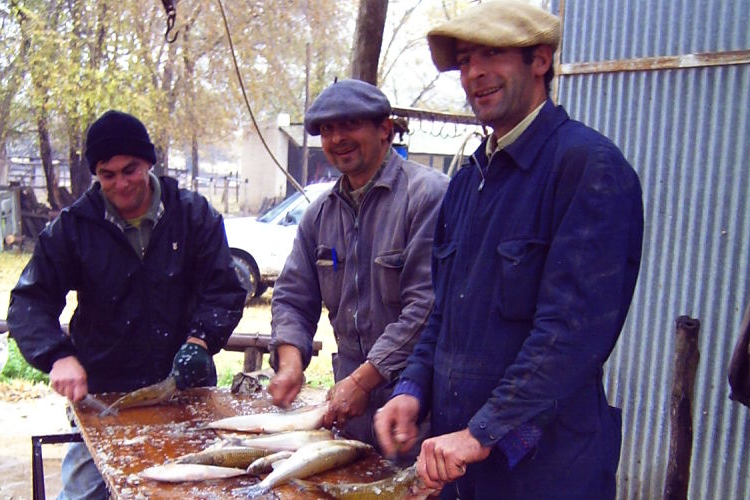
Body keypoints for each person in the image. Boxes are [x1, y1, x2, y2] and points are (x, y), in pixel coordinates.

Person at [373, 1, 644, 498]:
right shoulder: (468, 182)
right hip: (462, 466)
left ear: (539, 61)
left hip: (546, 470)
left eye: (492, 54)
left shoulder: (587, 168)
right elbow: (443, 314)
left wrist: (482, 432)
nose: (474, 73)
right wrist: (412, 389)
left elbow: (570, 334)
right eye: (465, 60)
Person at [7, 110, 246, 499]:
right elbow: (29, 300)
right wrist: (56, 356)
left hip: (184, 388)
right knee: (84, 493)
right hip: (103, 394)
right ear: (96, 174)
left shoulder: (193, 215)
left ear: (148, 162)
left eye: (130, 169)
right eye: (107, 174)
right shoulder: (74, 226)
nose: (120, 183)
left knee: (193, 490)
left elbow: (223, 289)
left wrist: (201, 340)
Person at [267, 79, 448, 452]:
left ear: (384, 129)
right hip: (350, 411)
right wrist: (290, 362)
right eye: (327, 130)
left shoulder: (428, 196)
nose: (337, 139)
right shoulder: (319, 214)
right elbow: (291, 297)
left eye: (349, 125)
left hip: (417, 406)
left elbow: (426, 308)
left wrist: (364, 381)